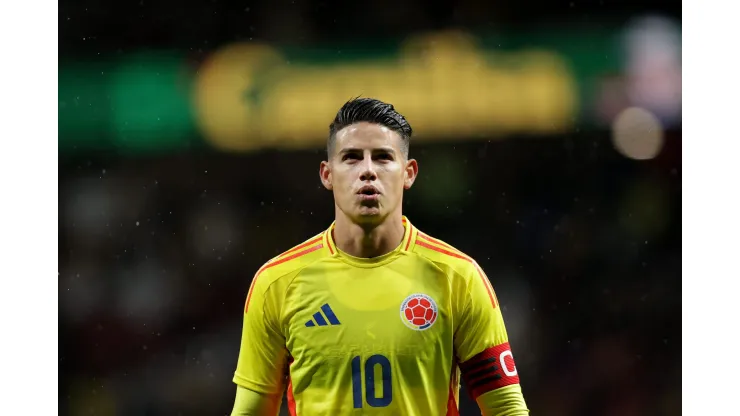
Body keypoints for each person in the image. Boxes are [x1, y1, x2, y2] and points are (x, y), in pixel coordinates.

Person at [230, 98, 529, 415]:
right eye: (352, 158)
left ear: (409, 173)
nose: (368, 171)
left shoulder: (459, 278)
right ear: (327, 174)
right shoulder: (277, 283)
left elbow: (506, 407)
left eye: (383, 157)